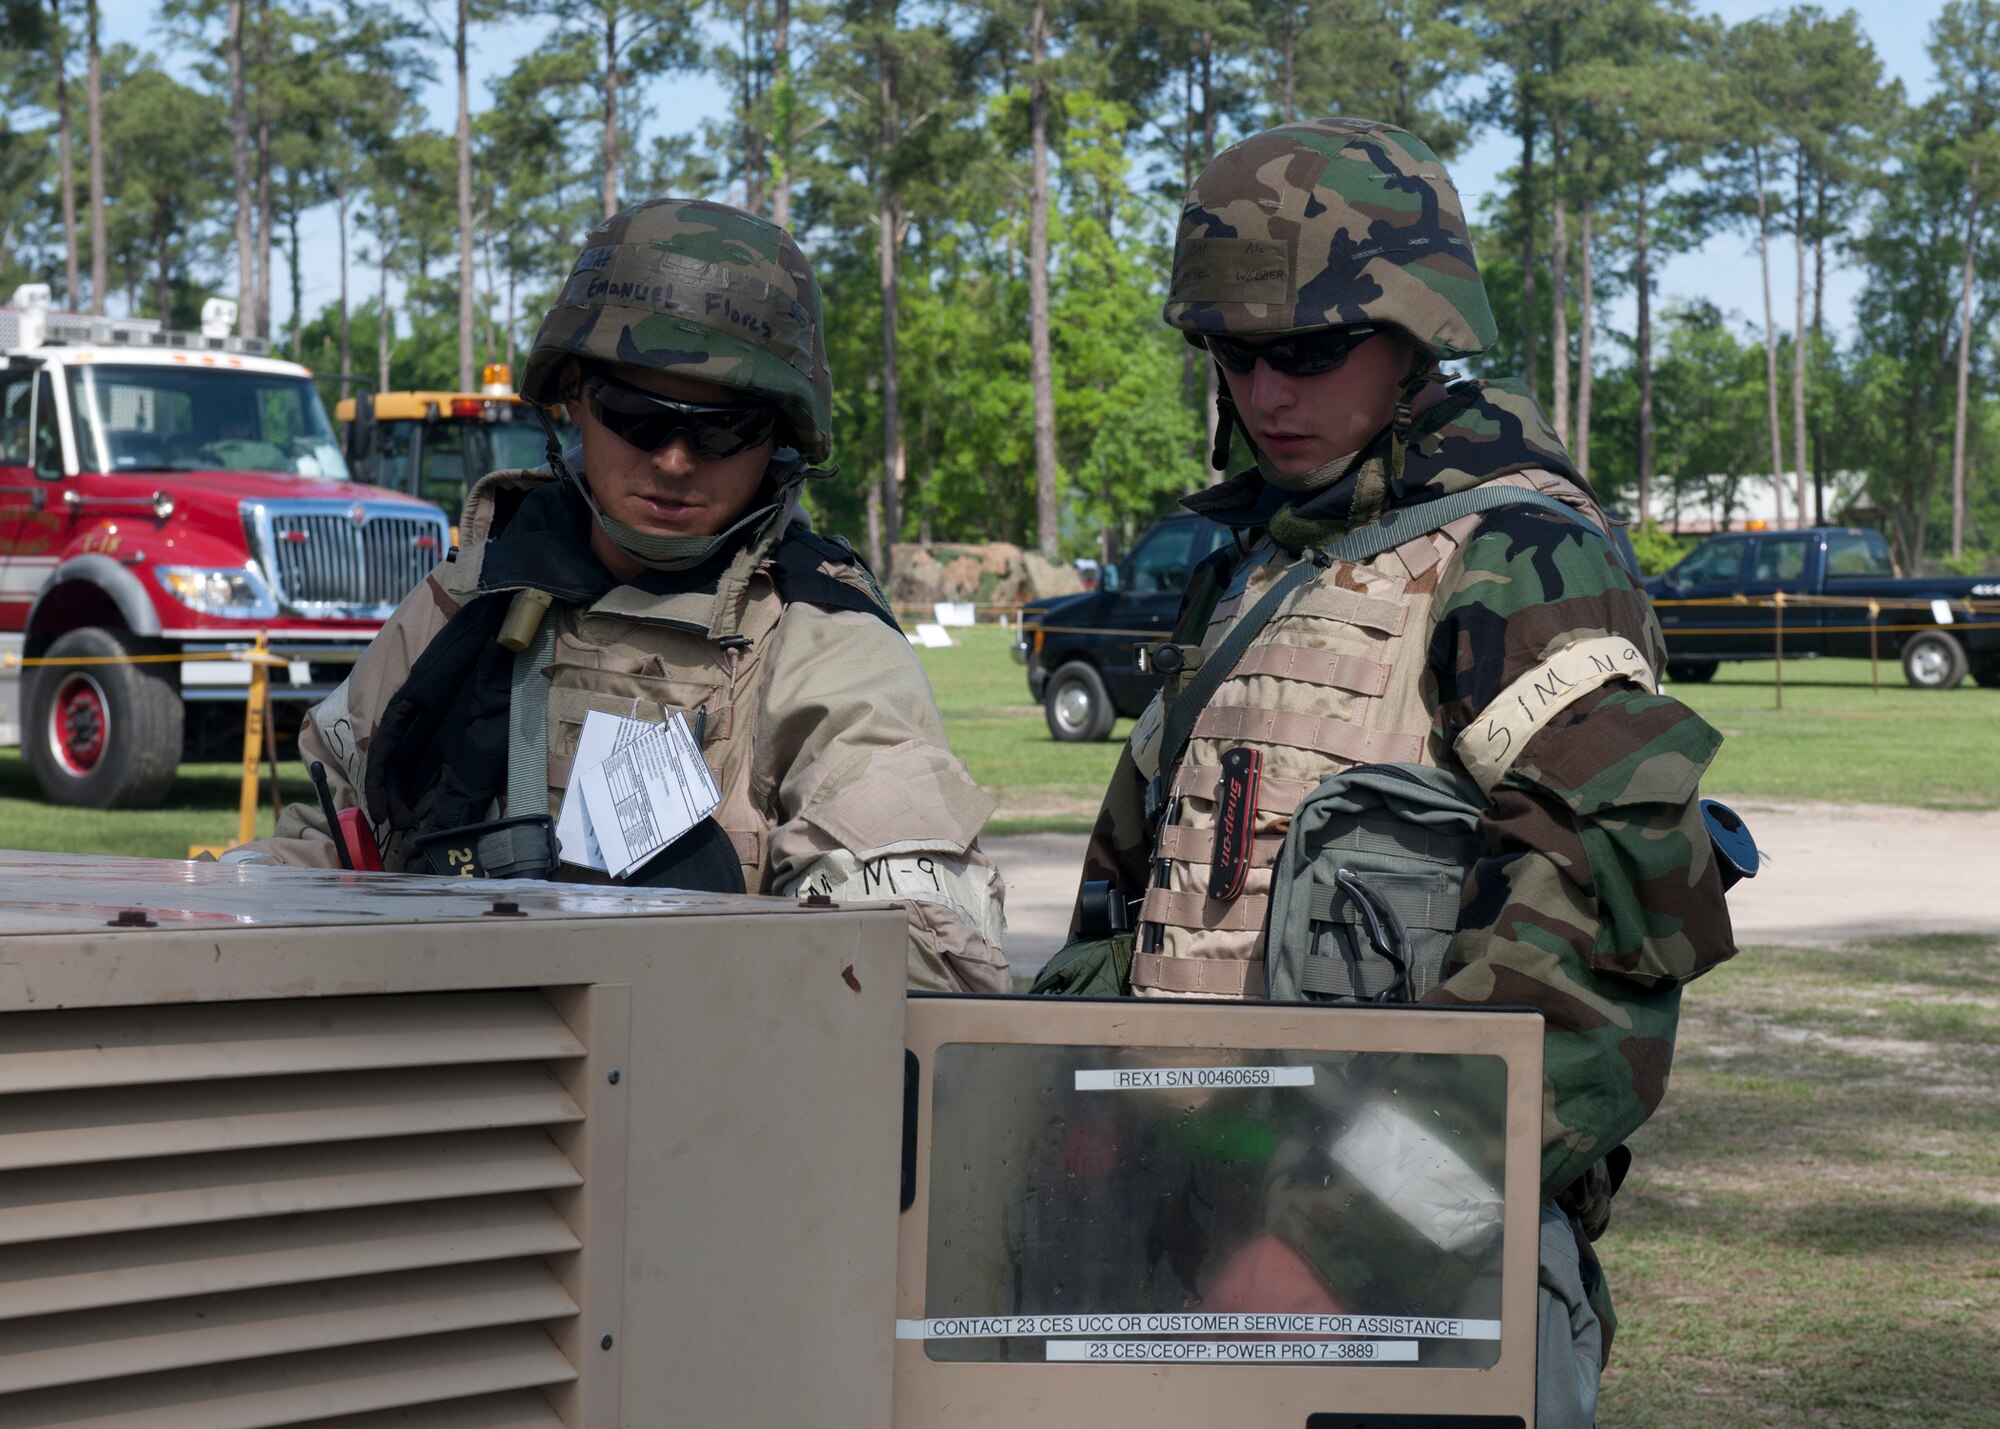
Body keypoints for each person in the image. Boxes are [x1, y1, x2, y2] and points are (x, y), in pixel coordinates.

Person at [1048, 119, 1738, 1421]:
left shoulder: (1523, 560)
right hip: (1184, 1234)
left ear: (1416, 328)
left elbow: (1594, 953)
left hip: (1414, 1271)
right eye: (1234, 354)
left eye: (1308, 351)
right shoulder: (1255, 562)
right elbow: (1125, 903)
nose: (1267, 395)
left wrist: (1332, 1238)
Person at [230, 198, 1009, 995]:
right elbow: (327, 844)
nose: (673, 460)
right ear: (571, 397)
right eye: (636, 416)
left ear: (779, 438)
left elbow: (923, 962)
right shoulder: (467, 603)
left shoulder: (820, 642)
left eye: (720, 430)